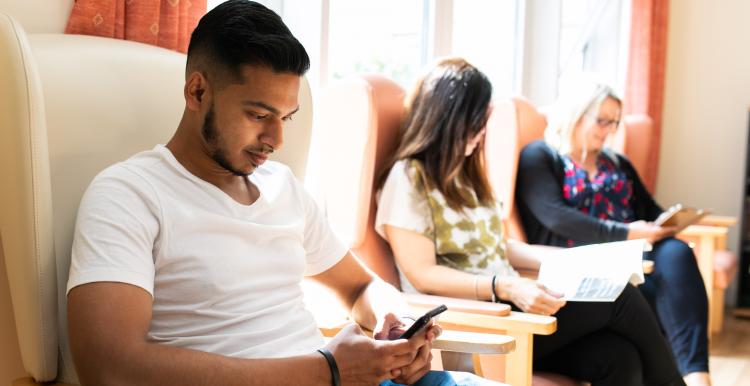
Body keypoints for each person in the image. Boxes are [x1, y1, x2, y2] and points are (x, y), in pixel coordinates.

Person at [66, 2, 498, 385]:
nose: (276, 139)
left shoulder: (282, 187)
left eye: (286, 118)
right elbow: (109, 368)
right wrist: (328, 371)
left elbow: (361, 286)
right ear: (197, 91)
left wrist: (397, 323)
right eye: (258, 114)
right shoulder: (128, 195)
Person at [375, 58, 686, 386]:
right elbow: (423, 275)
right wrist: (504, 286)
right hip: (478, 319)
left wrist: (569, 261)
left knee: (618, 357)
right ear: (446, 118)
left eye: (483, 121)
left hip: (512, 306)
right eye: (476, 121)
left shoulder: (465, 177)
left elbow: (497, 246)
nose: (481, 132)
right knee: (618, 294)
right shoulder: (408, 177)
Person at [514, 80, 711, 386]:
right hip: (580, 261)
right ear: (576, 113)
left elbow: (650, 211)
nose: (608, 130)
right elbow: (555, 216)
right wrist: (625, 232)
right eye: (602, 120)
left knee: (676, 252)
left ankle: (698, 376)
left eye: (615, 123)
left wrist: (668, 223)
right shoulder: (541, 156)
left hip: (630, 259)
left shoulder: (617, 163)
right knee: (639, 308)